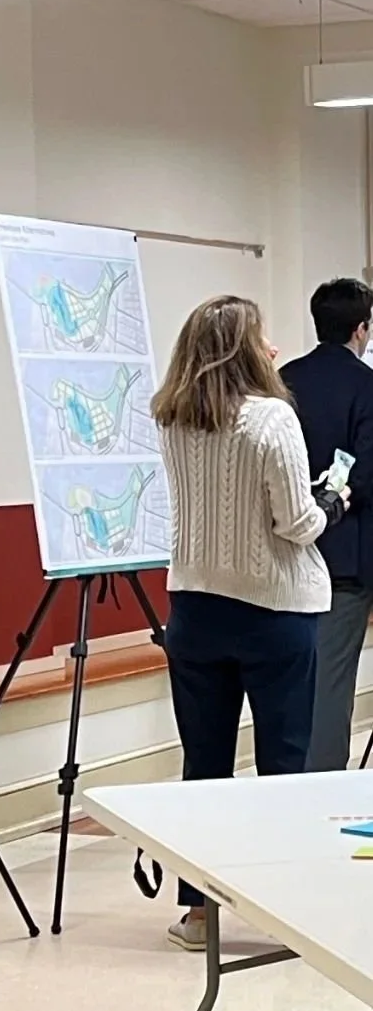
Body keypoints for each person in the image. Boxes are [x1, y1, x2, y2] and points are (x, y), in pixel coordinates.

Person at [155, 294, 343, 950]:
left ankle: (198, 913)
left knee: (202, 767)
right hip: (273, 612)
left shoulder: (171, 417)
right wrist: (332, 502)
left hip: (194, 610)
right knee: (282, 764)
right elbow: (295, 524)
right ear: (243, 350)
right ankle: (281, 912)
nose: (271, 349)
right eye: (261, 338)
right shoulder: (271, 419)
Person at [280, 278, 373, 771]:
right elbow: (368, 474)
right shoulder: (367, 387)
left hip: (285, 555)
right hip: (344, 560)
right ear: (362, 329)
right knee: (332, 687)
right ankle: (319, 793)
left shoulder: (282, 380)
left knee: (293, 685)